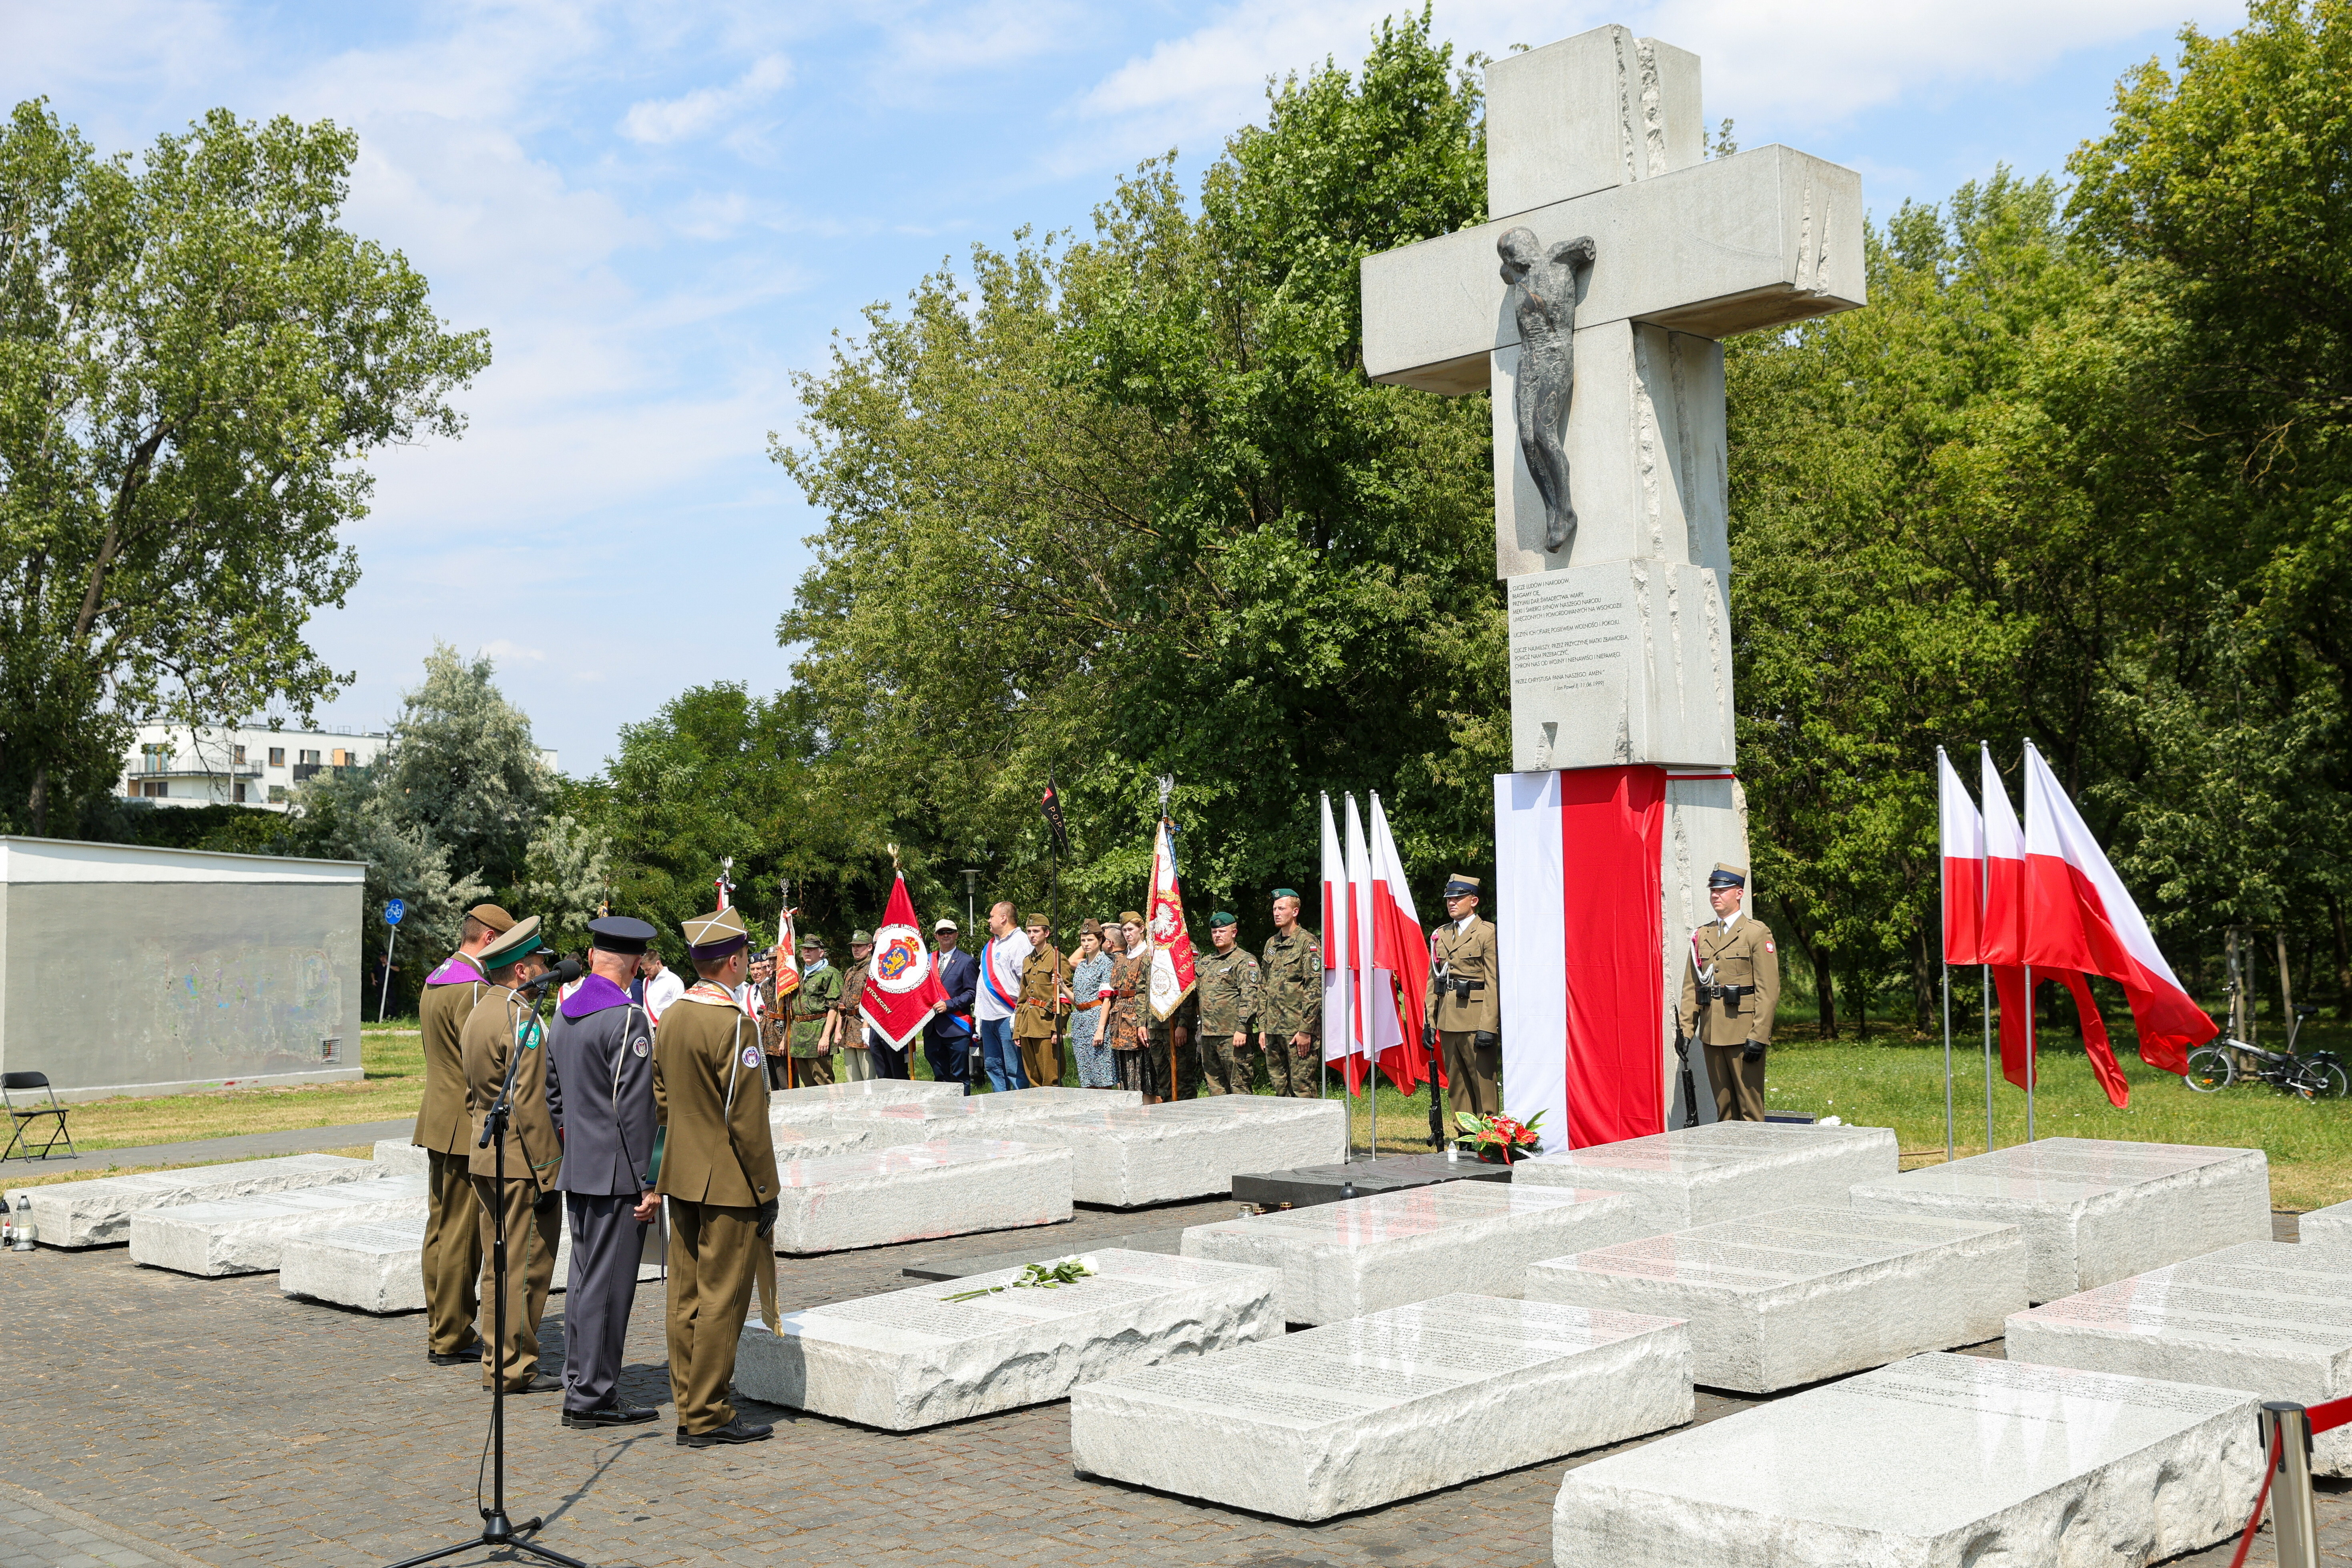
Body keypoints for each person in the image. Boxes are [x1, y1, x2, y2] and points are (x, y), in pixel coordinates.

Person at [652, 904, 779, 1448]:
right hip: (728, 1181)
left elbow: (660, 1097)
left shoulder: (674, 1014)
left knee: (684, 1297)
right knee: (723, 1300)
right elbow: (747, 1120)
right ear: (733, 962)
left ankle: (689, 1403)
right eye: (745, 955)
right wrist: (767, 1189)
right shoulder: (734, 1024)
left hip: (681, 1172)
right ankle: (708, 1411)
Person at [544, 915, 662, 1429]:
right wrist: (648, 1179)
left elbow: (553, 1096)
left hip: (581, 1167)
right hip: (618, 1173)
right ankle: (592, 1394)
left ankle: (580, 1378)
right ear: (636, 964)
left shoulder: (564, 1013)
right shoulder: (628, 1018)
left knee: (583, 1280)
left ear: (592, 958)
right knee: (610, 1287)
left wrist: (577, 1148)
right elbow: (634, 1109)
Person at [460, 916, 562, 1395]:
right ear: (522, 970)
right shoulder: (522, 1017)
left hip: (484, 1153)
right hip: (520, 1160)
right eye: (539, 962)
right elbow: (530, 1103)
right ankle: (513, 1365)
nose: (544, 968)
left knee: (494, 1264)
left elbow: (470, 1093)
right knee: (524, 1267)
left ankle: (493, 1359)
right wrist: (549, 1171)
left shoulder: (478, 1010)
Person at [413, 902, 512, 1367]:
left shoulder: (438, 977)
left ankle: (443, 1322)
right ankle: (450, 1332)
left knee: (440, 1227)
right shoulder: (474, 988)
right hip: (463, 1123)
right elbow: (481, 1063)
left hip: (437, 1117)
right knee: (460, 1235)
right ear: (489, 939)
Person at [1678, 862, 1780, 1122]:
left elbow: (1768, 990)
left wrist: (1759, 1035)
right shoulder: (1702, 935)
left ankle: (1755, 1160)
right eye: (1713, 889)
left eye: (1723, 889)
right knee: (1724, 1111)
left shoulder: (1756, 933)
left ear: (1739, 893)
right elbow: (1693, 987)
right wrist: (1687, 1030)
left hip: (1744, 1034)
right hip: (1712, 1034)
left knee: (1750, 1110)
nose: (1716, 894)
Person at [1427, 873, 1502, 1121]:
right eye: (1449, 898)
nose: (1452, 903)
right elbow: (1434, 980)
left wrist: (1489, 1026)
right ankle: (1465, 1134)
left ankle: (1490, 1134)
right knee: (1456, 1083)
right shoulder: (1441, 934)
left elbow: (1494, 981)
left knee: (1483, 1081)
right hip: (1448, 1019)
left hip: (1475, 1019)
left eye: (1459, 898)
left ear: (1474, 901)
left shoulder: (1487, 933)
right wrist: (1430, 1022)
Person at [1259, 889, 1323, 1098]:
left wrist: (1306, 1030)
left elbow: (1314, 988)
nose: (1277, 913)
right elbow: (1264, 987)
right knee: (1280, 1090)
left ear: (1295, 911)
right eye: (1275, 909)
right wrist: (1263, 1028)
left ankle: (1312, 1132)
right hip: (1273, 1030)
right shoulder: (1271, 943)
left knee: (1302, 1088)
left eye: (1282, 909)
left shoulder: (1308, 942)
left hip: (1297, 1031)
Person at [1193, 912, 1261, 1096]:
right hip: (1208, 1036)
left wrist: (1243, 1028)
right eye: (1214, 931)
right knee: (1216, 1090)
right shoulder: (1207, 962)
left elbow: (1251, 997)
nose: (1218, 935)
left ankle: (1245, 1124)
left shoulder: (1244, 960)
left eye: (1222, 931)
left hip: (1232, 1036)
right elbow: (1194, 994)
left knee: (1239, 1088)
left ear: (1234, 933)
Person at [974, 901, 1032, 1091]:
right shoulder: (990, 944)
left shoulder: (1021, 941)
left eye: (992, 916)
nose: (989, 920)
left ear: (1003, 918)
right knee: (993, 1066)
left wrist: (1019, 1014)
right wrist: (979, 1015)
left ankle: (1019, 1108)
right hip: (989, 1017)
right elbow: (982, 983)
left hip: (1009, 1015)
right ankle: (998, 1106)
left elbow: (1027, 982)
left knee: (1014, 1068)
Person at [1014, 912, 1067, 1090]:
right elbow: (1023, 998)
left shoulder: (1057, 958)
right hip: (1028, 1025)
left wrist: (1057, 1028)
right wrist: (1018, 1030)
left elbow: (1064, 997)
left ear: (1047, 933)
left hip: (1046, 1026)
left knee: (1051, 1078)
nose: (1032, 935)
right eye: (1029, 931)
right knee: (1033, 1077)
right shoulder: (1028, 960)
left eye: (1036, 931)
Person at [924, 918, 977, 1090]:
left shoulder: (967, 961)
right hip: (932, 1029)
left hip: (956, 1027)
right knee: (940, 1078)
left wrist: (949, 1005)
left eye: (949, 932)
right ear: (936, 936)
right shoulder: (926, 961)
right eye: (942, 932)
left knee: (960, 1077)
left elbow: (971, 993)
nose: (946, 935)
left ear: (956, 935)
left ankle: (962, 1113)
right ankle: (943, 1113)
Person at [783, 932, 841, 1087]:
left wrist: (825, 1037)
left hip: (818, 1032)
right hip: (800, 1036)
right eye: (804, 949)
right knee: (807, 1086)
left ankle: (831, 1111)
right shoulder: (799, 976)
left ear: (821, 953)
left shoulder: (830, 974)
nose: (807, 952)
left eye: (812, 949)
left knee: (823, 1081)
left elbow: (833, 1008)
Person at [1066, 921, 1116, 1089]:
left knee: (1102, 1074)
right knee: (1086, 1076)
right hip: (1080, 1022)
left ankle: (1107, 1113)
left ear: (1100, 941)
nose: (1086, 944)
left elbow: (1107, 1000)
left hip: (1096, 1021)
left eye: (1090, 940)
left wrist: (1101, 1029)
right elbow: (1078, 1000)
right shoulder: (1081, 966)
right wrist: (1062, 987)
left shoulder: (1106, 964)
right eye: (1083, 941)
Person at [1104, 912, 1148, 1093]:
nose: (1128, 934)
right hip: (1119, 1017)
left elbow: (1146, 992)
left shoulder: (1148, 955)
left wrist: (1143, 1022)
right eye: (1124, 930)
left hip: (1138, 1014)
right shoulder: (1121, 957)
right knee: (1124, 1072)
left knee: (1142, 1072)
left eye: (1131, 929)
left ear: (1142, 929)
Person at [837, 931, 878, 1083]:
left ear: (869, 947)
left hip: (864, 1026)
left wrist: (867, 1028)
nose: (856, 949)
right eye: (854, 946)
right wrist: (838, 1030)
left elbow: (874, 1001)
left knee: (869, 1077)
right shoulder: (849, 971)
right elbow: (842, 1002)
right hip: (849, 1029)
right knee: (852, 1079)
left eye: (859, 946)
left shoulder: (874, 969)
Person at [638, 947, 685, 1022]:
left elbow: (680, 1010)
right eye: (644, 970)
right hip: (649, 1029)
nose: (646, 973)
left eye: (648, 969)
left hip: (665, 1028)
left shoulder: (674, 981)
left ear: (658, 963)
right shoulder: (646, 981)